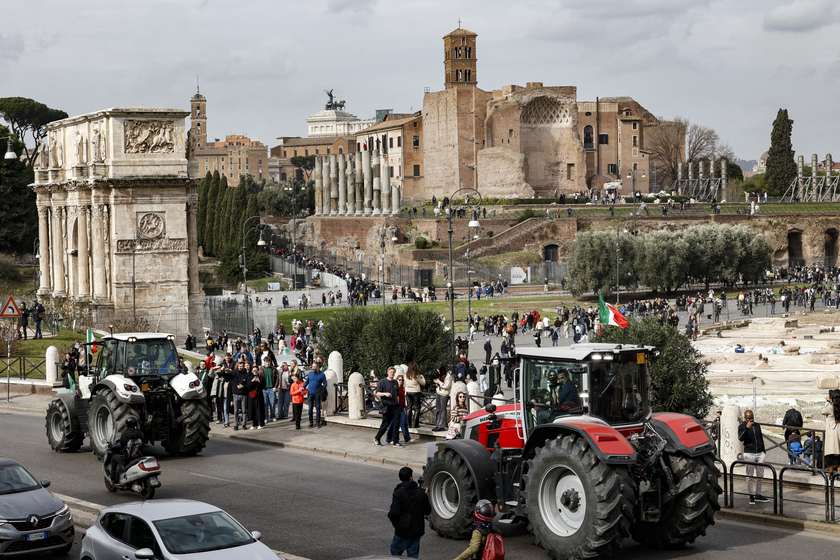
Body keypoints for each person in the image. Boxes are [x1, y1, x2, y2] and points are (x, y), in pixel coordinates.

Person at [387, 466, 431, 558]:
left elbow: (393, 512)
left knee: (395, 551)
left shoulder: (398, 493)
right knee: (413, 556)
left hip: (403, 530)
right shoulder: (420, 493)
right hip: (416, 531)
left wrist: (394, 522)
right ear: (411, 477)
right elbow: (427, 511)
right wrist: (425, 496)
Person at [738, 409, 770, 504]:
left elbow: (760, 437)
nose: (751, 419)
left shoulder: (757, 425)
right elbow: (740, 438)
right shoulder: (742, 426)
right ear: (745, 418)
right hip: (749, 453)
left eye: (752, 417)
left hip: (760, 453)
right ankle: (751, 495)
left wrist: (763, 451)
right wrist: (747, 428)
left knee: (760, 475)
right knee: (749, 476)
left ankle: (758, 494)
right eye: (749, 418)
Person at [109, 415, 146, 483]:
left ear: (126, 424)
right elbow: (143, 444)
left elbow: (122, 444)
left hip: (127, 459)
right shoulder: (140, 433)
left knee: (114, 458)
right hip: (139, 457)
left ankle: (112, 478)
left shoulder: (125, 434)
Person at [374, 367, 402, 447]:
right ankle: (377, 438)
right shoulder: (383, 382)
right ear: (388, 373)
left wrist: (399, 403)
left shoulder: (395, 382)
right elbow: (377, 393)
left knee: (396, 424)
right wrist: (385, 394)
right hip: (387, 406)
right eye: (391, 372)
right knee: (385, 424)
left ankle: (396, 441)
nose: (392, 373)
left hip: (395, 406)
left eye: (393, 372)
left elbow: (397, 395)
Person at [387, 374, 412, 445]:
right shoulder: (394, 387)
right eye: (399, 380)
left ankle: (407, 438)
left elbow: (403, 399)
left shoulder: (402, 389)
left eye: (402, 380)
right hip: (394, 407)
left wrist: (404, 408)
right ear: (396, 380)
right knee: (392, 423)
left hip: (401, 407)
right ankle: (389, 438)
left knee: (404, 422)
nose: (401, 381)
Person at [821, 391, 840, 473]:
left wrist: (827, 401)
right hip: (839, 430)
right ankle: (839, 474)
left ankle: (831, 474)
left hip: (832, 431)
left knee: (831, 454)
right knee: (839, 454)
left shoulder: (830, 407)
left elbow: (822, 411)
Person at [305, 361, 327, 428]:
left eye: (314, 367)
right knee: (310, 408)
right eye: (312, 367)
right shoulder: (310, 374)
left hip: (317, 393)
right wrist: (303, 387)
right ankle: (311, 422)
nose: (313, 368)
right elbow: (307, 382)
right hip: (310, 393)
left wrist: (322, 390)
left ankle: (318, 422)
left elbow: (325, 383)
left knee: (318, 408)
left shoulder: (322, 374)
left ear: (318, 367)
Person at [404, 362, 425, 429]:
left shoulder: (406, 375)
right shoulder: (417, 375)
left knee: (409, 407)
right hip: (416, 392)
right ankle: (415, 424)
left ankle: (408, 423)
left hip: (408, 392)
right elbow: (423, 383)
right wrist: (422, 377)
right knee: (417, 408)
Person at [432, 364, 452, 432]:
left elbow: (447, 386)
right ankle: (437, 424)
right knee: (438, 409)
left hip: (444, 394)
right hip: (438, 393)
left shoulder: (448, 376)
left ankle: (442, 425)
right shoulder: (440, 375)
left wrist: (439, 382)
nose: (438, 372)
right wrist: (437, 383)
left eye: (439, 371)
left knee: (443, 410)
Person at [231, 361, 250, 431]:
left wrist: (243, 386)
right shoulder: (234, 373)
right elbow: (227, 376)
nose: (240, 367)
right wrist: (223, 372)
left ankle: (244, 424)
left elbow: (249, 384)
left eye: (241, 366)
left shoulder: (246, 374)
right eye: (239, 366)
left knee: (244, 410)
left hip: (244, 394)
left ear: (244, 366)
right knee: (236, 410)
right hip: (235, 394)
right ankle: (236, 425)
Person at [262, 355, 278, 423]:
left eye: (268, 362)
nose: (267, 363)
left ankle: (273, 416)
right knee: (265, 404)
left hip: (271, 388)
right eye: (266, 362)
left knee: (272, 404)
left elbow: (277, 378)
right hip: (264, 389)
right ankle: (266, 417)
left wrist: (275, 387)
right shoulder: (261, 369)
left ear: (270, 362)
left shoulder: (274, 369)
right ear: (264, 362)